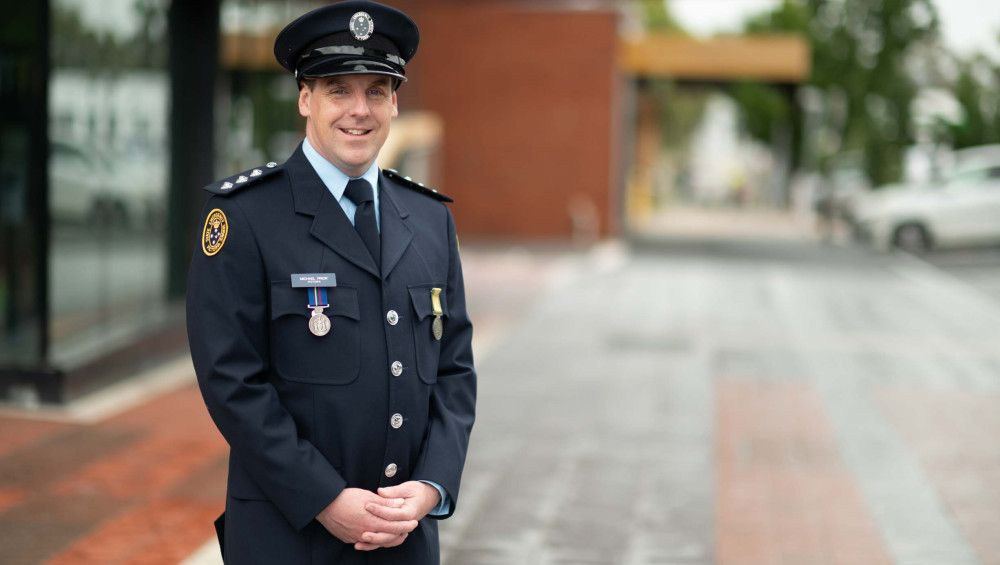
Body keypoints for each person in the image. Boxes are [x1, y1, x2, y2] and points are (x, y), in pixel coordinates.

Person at [185, 1, 476, 563]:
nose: (359, 111)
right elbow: (231, 381)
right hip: (288, 533)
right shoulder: (245, 216)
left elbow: (455, 368)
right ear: (305, 99)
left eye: (376, 90)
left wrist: (431, 488)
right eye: (339, 89)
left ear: (395, 102)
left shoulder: (431, 219)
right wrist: (325, 499)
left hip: (403, 538)